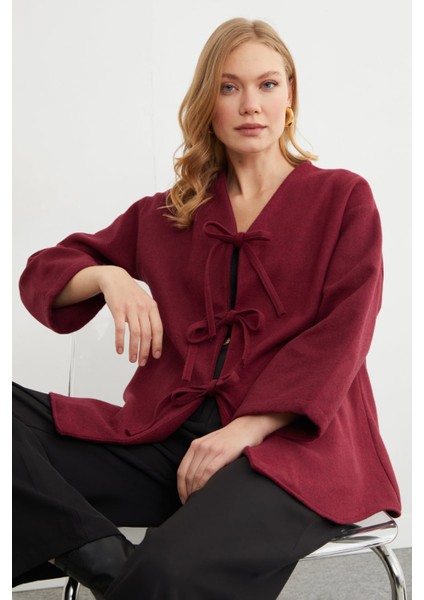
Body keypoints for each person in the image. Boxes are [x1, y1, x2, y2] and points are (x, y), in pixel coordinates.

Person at [13, 17, 401, 600]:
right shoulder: (171, 212)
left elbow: (344, 333)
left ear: (290, 96)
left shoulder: (343, 198)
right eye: (229, 87)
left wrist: (247, 427)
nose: (251, 105)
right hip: (167, 440)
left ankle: (127, 572)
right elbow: (42, 272)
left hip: (293, 449)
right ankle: (109, 563)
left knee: (169, 572)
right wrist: (110, 276)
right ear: (207, 103)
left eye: (267, 84)